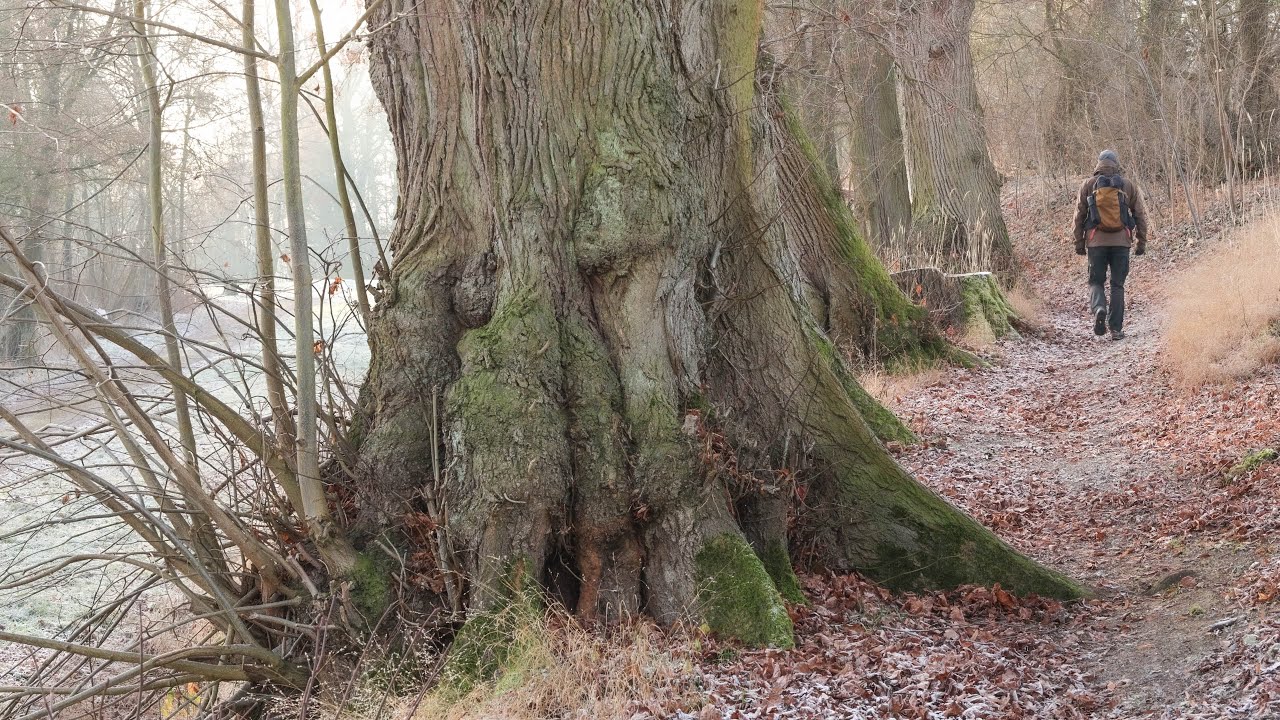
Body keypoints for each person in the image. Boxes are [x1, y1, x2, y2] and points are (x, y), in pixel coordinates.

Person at [1072, 150, 1149, 340]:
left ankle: (1099, 308)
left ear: (1098, 164)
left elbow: (1078, 216)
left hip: (1095, 241)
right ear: (1116, 164)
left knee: (1096, 281)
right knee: (1117, 285)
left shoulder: (1088, 185)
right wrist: (1141, 241)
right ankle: (1116, 329)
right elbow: (1139, 215)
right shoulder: (1128, 185)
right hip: (1121, 243)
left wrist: (1079, 242)